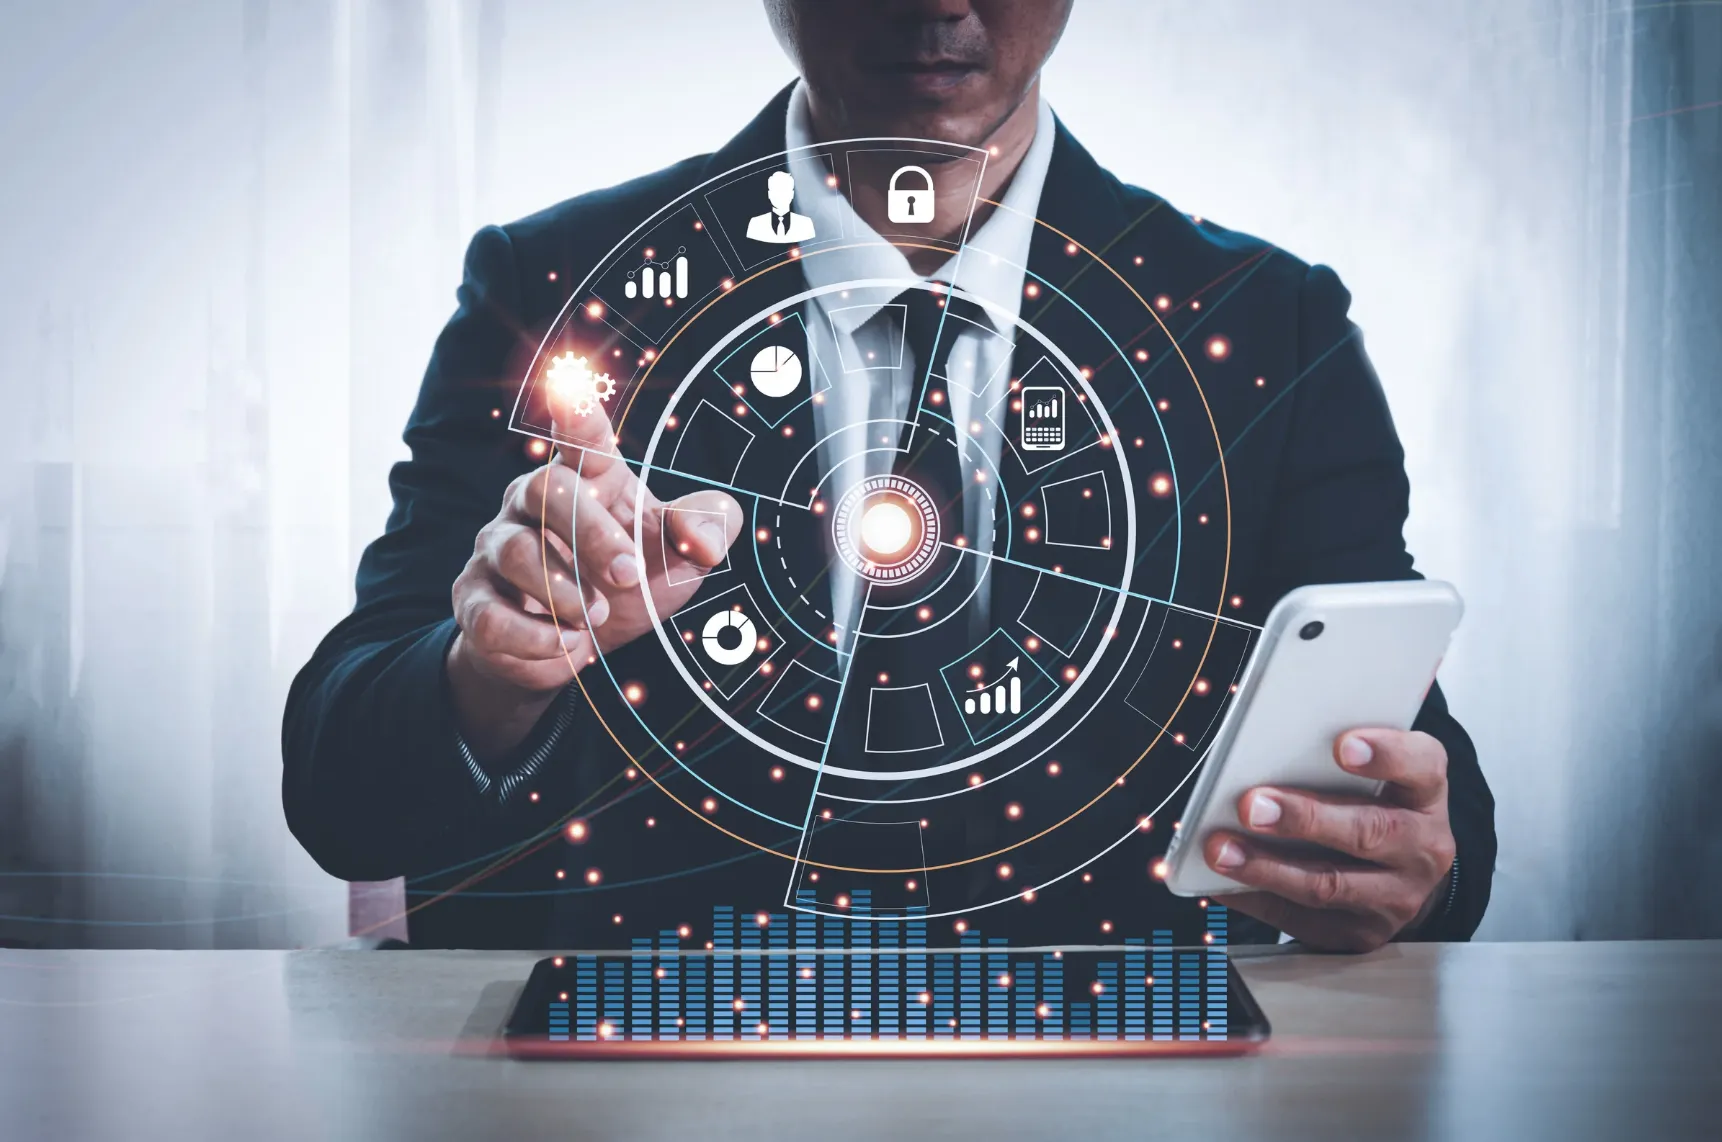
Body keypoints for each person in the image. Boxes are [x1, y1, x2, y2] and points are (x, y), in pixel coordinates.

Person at [283, 0, 1494, 952]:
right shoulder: (552, 289)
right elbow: (341, 791)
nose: (936, 0)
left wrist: (1401, 855)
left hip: (1114, 1075)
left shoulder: (1269, 331)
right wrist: (490, 676)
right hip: (655, 1071)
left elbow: (1427, 806)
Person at [745, 169, 817, 243]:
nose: (779, 196)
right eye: (776, 191)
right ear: (769, 194)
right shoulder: (756, 224)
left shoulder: (805, 224)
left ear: (791, 194)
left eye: (784, 191)